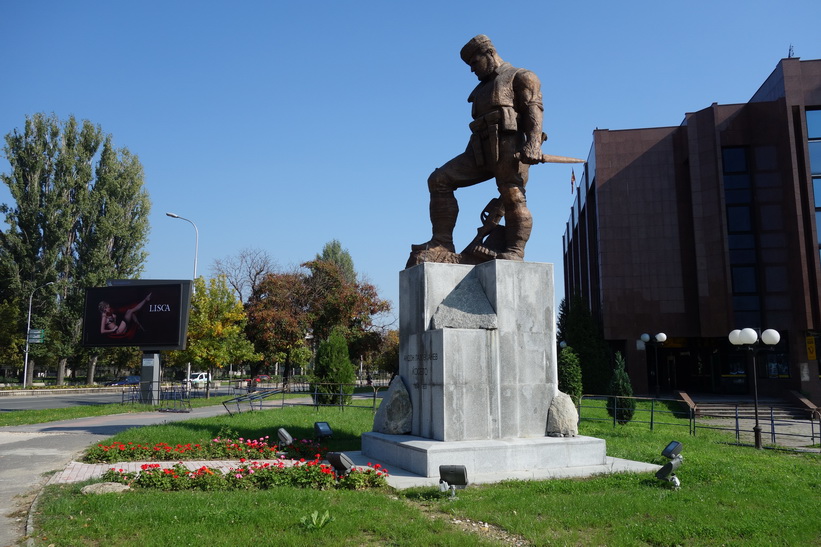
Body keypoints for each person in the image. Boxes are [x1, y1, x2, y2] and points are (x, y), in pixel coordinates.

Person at [413, 35, 544, 261]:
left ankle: (514, 251)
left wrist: (533, 143)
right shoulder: (481, 88)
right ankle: (442, 242)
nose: (472, 69)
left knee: (512, 194)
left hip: (508, 146)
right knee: (439, 180)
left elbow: (533, 109)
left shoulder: (521, 76)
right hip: (478, 149)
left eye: (474, 62)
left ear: (489, 53)